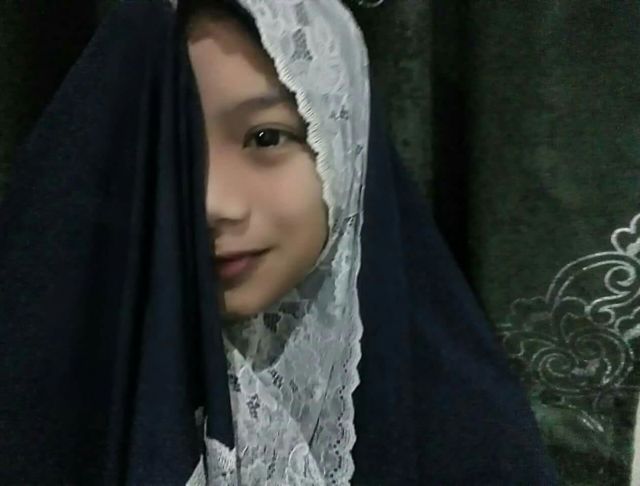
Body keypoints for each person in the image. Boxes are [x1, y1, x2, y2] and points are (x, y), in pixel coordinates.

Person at [0, 0, 557, 484]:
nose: (214, 203)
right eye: (174, 151)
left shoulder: (465, 425)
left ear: (344, 146)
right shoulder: (50, 399)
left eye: (266, 137)